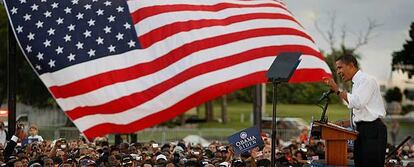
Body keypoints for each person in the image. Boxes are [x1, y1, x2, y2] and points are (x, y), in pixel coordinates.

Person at [323, 54, 387, 167]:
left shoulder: (367, 80)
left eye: (340, 67)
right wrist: (341, 124)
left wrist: (337, 90)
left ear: (351, 65)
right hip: (361, 131)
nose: (338, 72)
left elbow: (358, 103)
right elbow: (362, 113)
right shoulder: (356, 83)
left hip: (373, 130)